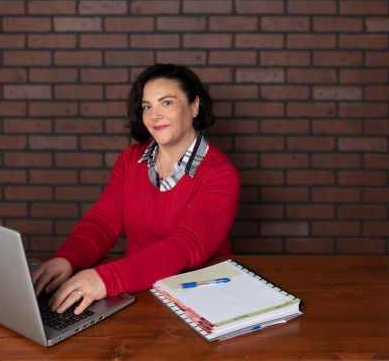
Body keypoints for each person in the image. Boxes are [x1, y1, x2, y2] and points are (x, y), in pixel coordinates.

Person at [31, 64, 240, 316]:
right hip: (139, 291)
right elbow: (102, 223)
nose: (154, 115)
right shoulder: (129, 160)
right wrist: (67, 259)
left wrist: (105, 279)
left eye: (166, 103)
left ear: (194, 106)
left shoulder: (220, 175)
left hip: (202, 300)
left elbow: (182, 247)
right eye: (147, 106)